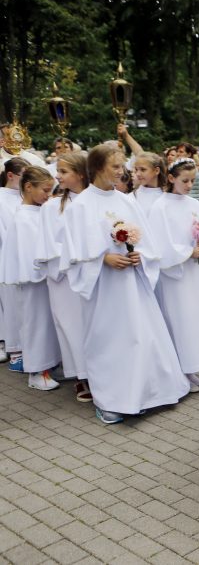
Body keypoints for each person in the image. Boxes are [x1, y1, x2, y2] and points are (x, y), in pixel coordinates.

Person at [62, 143, 189, 424]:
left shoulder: (125, 201)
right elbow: (71, 252)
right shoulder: (80, 206)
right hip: (104, 287)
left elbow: (146, 238)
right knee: (110, 340)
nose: (122, 172)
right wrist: (103, 259)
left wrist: (139, 255)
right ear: (96, 168)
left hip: (133, 282)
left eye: (122, 166)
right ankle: (111, 399)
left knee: (142, 336)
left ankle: (150, 393)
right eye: (116, 167)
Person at [150, 158, 199, 393]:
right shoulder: (160, 207)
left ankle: (193, 369)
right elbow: (160, 243)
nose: (189, 184)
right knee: (180, 321)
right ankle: (182, 371)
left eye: (192, 180)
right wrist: (187, 251)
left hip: (195, 272)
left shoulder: (192, 203)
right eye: (184, 180)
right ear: (170, 178)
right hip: (176, 276)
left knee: (196, 320)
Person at [36, 152, 92, 402]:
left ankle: (102, 372)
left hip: (96, 274)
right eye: (58, 171)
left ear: (81, 174)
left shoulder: (95, 201)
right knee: (72, 326)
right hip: (65, 278)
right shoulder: (51, 207)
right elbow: (49, 244)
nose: (57, 176)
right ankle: (81, 375)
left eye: (63, 171)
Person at [2, 166, 61, 391]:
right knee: (36, 324)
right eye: (45, 190)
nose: (48, 195)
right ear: (28, 187)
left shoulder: (40, 212)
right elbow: (29, 255)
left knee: (48, 324)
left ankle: (50, 364)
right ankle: (36, 372)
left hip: (47, 280)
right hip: (34, 281)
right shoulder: (24, 218)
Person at [0, 157, 27, 367]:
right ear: (11, 175)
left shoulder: (25, 197)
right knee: (10, 305)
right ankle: (14, 348)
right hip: (7, 257)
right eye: (24, 176)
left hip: (27, 258)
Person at [130, 152, 166, 217]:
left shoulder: (167, 195)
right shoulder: (132, 197)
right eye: (136, 169)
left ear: (156, 171)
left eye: (143, 170)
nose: (138, 174)